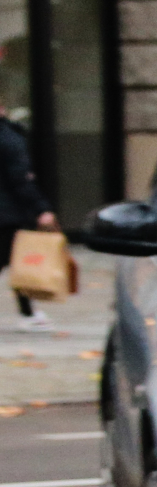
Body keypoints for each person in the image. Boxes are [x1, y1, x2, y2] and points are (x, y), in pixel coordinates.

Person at [0, 110, 59, 330]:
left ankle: (29, 313)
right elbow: (21, 179)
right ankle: (28, 314)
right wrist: (41, 208)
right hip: (8, 214)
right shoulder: (9, 138)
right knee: (18, 262)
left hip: (7, 214)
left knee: (18, 263)